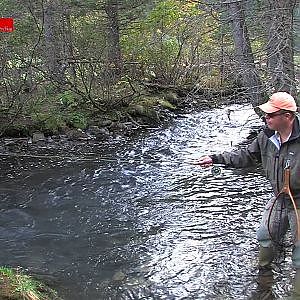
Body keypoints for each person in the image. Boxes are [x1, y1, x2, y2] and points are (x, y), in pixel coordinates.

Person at [194, 91, 300, 298]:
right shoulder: (267, 136)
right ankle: (264, 281)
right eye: (266, 115)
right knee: (265, 237)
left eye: (270, 115)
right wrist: (215, 159)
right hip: (279, 197)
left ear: (287, 117)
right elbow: (246, 156)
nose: (266, 118)